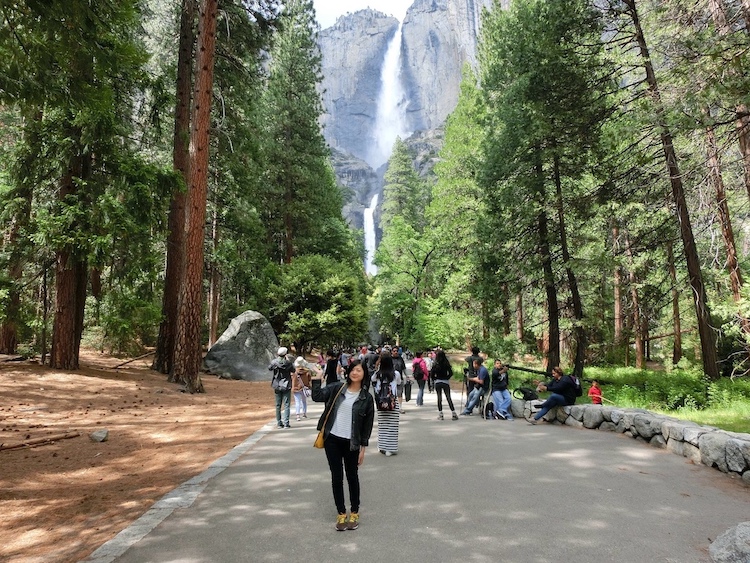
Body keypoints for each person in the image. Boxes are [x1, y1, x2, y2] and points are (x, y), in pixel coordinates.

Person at [311, 359, 374, 531]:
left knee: (352, 476)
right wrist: (317, 378)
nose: (355, 373)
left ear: (364, 374)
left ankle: (354, 512)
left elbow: (367, 426)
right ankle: (340, 513)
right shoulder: (336, 389)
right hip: (332, 439)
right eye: (353, 369)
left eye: (359, 370)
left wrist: (363, 449)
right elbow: (317, 396)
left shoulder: (366, 398)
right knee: (336, 477)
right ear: (348, 372)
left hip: (352, 443)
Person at [371, 353, 401, 456]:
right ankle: (390, 448)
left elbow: (372, 380)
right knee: (392, 426)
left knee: (383, 425)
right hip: (392, 402)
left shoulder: (377, 374)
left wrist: (377, 367)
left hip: (381, 402)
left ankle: (382, 446)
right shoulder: (396, 374)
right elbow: (399, 383)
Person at [268, 347, 294, 428]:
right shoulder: (288, 363)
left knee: (278, 405)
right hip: (286, 385)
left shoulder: (274, 362)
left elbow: (269, 368)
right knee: (286, 405)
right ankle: (286, 423)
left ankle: (279, 423)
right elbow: (293, 370)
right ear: (285, 354)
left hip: (277, 385)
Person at [431, 349, 458, 420]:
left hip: (438, 382)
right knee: (448, 397)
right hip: (445, 382)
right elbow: (451, 373)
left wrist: (435, 378)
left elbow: (432, 374)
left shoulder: (435, 364)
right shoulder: (446, 363)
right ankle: (453, 413)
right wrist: (447, 377)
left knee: (439, 398)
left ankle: (440, 414)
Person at [292, 357, 311, 422]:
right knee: (304, 401)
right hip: (304, 389)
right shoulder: (307, 372)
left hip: (296, 389)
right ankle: (304, 413)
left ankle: (298, 415)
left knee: (297, 402)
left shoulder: (294, 373)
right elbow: (309, 380)